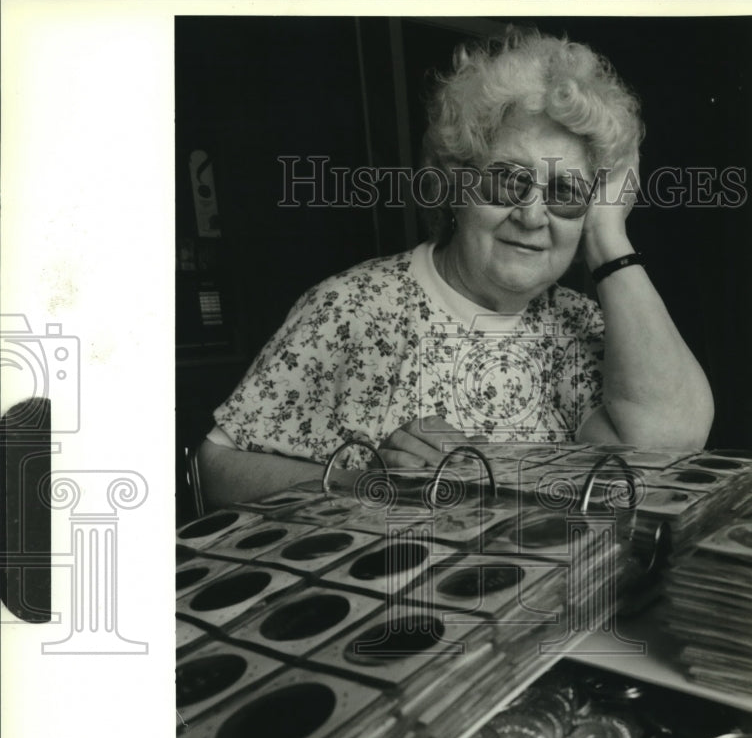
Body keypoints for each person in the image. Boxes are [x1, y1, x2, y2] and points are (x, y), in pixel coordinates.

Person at [197, 28, 714, 509]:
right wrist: (367, 486)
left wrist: (607, 236)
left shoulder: (587, 327)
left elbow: (674, 440)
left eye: (564, 194)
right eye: (508, 181)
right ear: (457, 184)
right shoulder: (349, 308)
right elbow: (215, 467)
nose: (532, 216)